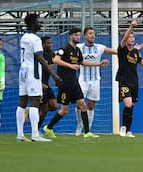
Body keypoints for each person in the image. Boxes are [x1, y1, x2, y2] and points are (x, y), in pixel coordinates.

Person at [43, 27, 109, 138]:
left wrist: (98, 64)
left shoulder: (77, 50)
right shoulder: (64, 48)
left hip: (74, 82)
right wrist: (71, 66)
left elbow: (82, 62)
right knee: (64, 110)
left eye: (79, 35)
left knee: (83, 105)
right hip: (64, 83)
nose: (78, 37)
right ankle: (48, 127)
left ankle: (87, 132)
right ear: (71, 36)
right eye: (75, 35)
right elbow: (55, 60)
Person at [16, 13, 62, 142]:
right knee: (35, 102)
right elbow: (40, 59)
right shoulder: (35, 39)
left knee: (22, 102)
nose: (40, 24)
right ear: (32, 24)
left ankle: (20, 134)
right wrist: (54, 75)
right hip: (32, 73)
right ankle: (35, 134)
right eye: (38, 22)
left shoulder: (24, 37)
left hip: (23, 71)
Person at [74, 27, 117, 136]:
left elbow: (114, 51)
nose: (93, 35)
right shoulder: (78, 47)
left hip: (95, 81)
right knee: (79, 104)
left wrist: (129, 51)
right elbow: (64, 51)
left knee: (91, 105)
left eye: (94, 33)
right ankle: (80, 126)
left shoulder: (100, 48)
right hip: (82, 80)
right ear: (85, 36)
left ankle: (88, 130)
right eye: (90, 33)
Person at [38, 36, 58, 129]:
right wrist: (39, 83)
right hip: (39, 85)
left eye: (51, 43)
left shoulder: (52, 54)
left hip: (47, 85)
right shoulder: (39, 56)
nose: (50, 45)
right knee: (44, 109)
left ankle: (31, 110)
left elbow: (58, 54)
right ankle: (36, 130)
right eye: (48, 43)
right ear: (42, 45)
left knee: (54, 106)